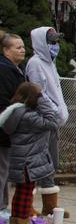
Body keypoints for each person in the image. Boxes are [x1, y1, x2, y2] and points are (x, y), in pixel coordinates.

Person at [1, 82, 59, 224]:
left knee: (21, 192)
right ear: (33, 97)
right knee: (26, 193)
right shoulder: (29, 116)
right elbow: (52, 122)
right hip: (29, 160)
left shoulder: (15, 113)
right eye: (39, 95)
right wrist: (43, 100)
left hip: (20, 159)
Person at [24, 27, 70, 218]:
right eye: (51, 42)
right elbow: (39, 93)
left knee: (50, 161)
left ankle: (50, 206)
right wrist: (53, 112)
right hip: (43, 121)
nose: (55, 46)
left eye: (56, 42)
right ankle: (27, 205)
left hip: (53, 122)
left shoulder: (50, 63)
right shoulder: (35, 64)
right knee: (37, 162)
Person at [1, 32, 28, 213]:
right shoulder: (4, 71)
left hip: (12, 129)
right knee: (2, 170)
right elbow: (4, 101)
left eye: (23, 46)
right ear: (6, 50)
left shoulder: (17, 70)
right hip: (5, 128)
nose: (22, 50)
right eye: (17, 47)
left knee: (5, 170)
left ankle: (3, 206)